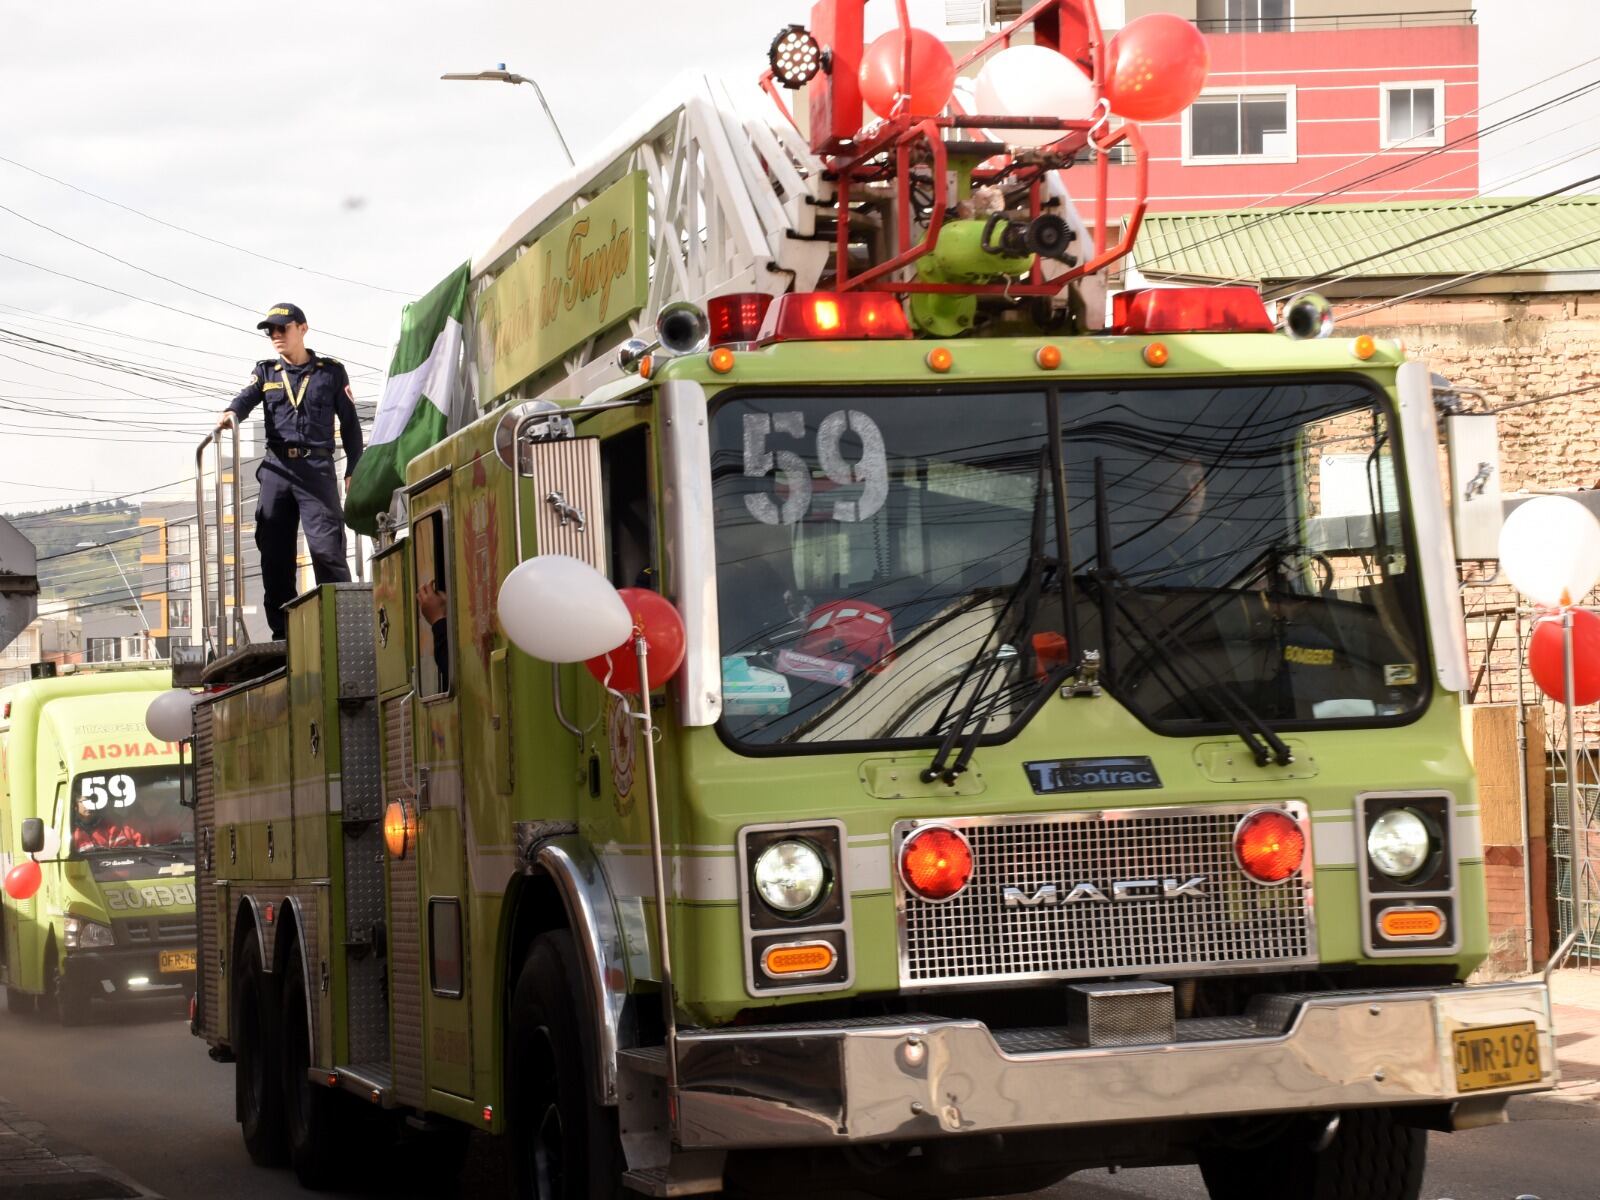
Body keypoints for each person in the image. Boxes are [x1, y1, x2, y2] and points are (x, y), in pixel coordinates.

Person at [217, 303, 364, 640]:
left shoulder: (330, 372)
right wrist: (231, 412)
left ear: (302, 329)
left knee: (327, 548)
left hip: (316, 467)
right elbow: (246, 396)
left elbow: (351, 425)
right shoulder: (266, 372)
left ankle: (343, 628)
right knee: (274, 553)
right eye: (271, 331)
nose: (276, 336)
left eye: (282, 329)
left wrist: (354, 466)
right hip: (277, 467)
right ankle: (283, 634)